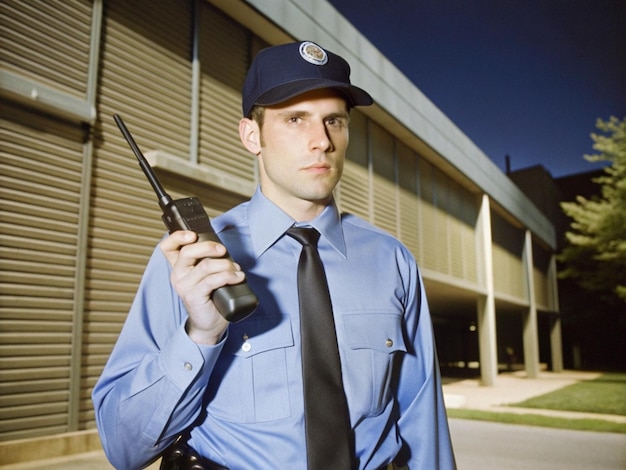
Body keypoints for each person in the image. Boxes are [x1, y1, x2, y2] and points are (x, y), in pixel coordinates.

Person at [93, 41, 456, 470]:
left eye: (334, 120)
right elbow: (124, 447)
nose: (321, 141)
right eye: (295, 119)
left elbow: (422, 422)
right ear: (252, 136)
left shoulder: (392, 260)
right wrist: (201, 334)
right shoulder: (194, 262)